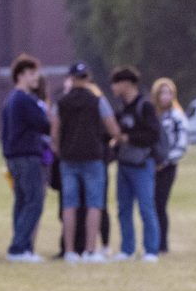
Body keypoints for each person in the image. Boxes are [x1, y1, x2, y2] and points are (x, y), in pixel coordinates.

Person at [50, 63, 115, 261]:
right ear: (87, 78)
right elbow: (113, 128)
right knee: (94, 204)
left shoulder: (61, 102)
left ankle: (69, 251)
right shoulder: (97, 101)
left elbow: (54, 131)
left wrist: (60, 149)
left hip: (68, 158)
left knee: (69, 205)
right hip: (93, 158)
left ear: (71, 78)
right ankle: (90, 250)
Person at [0, 55, 51, 262]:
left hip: (14, 157)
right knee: (34, 201)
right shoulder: (24, 100)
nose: (35, 78)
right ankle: (19, 248)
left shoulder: (10, 100)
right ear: (20, 76)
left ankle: (23, 246)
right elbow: (44, 125)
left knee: (22, 202)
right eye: (31, 74)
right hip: (28, 156)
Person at [109, 67, 163, 262]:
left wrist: (128, 137)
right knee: (123, 208)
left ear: (127, 83)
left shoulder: (145, 106)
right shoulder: (121, 107)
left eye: (116, 82)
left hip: (142, 164)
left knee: (146, 207)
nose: (113, 87)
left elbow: (153, 134)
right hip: (124, 163)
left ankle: (151, 250)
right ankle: (127, 249)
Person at [150, 76, 188, 254]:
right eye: (162, 93)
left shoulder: (177, 117)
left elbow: (181, 144)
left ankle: (162, 243)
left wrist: (165, 162)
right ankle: (152, 240)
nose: (165, 96)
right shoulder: (152, 115)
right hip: (151, 166)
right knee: (150, 204)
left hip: (167, 167)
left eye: (168, 93)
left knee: (160, 204)